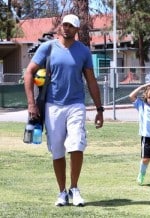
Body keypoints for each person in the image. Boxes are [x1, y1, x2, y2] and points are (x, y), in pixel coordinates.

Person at [24, 14, 104, 206]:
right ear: (61, 27)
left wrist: (100, 109)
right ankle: (62, 193)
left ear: (76, 30)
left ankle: (74, 188)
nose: (66, 28)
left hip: (76, 104)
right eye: (64, 25)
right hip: (52, 106)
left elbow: (91, 81)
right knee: (57, 150)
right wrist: (31, 104)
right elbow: (29, 72)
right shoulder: (48, 47)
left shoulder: (83, 51)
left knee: (76, 144)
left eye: (70, 26)